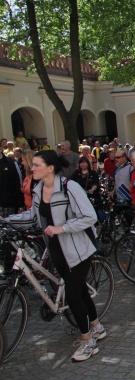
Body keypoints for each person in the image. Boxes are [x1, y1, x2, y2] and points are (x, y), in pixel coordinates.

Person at [5, 150, 104, 362]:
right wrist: (6, 220)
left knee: (72, 294)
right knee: (79, 290)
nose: (32, 168)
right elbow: (32, 217)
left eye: (36, 165)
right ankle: (97, 326)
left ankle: (88, 343)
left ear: (50, 168)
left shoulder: (70, 187)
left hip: (78, 249)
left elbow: (89, 217)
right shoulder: (39, 188)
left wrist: (62, 228)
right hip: (56, 250)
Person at [0, 149, 24, 216]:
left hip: (7, 204)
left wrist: (20, 205)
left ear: (0, 149)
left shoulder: (11, 163)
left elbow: (18, 183)